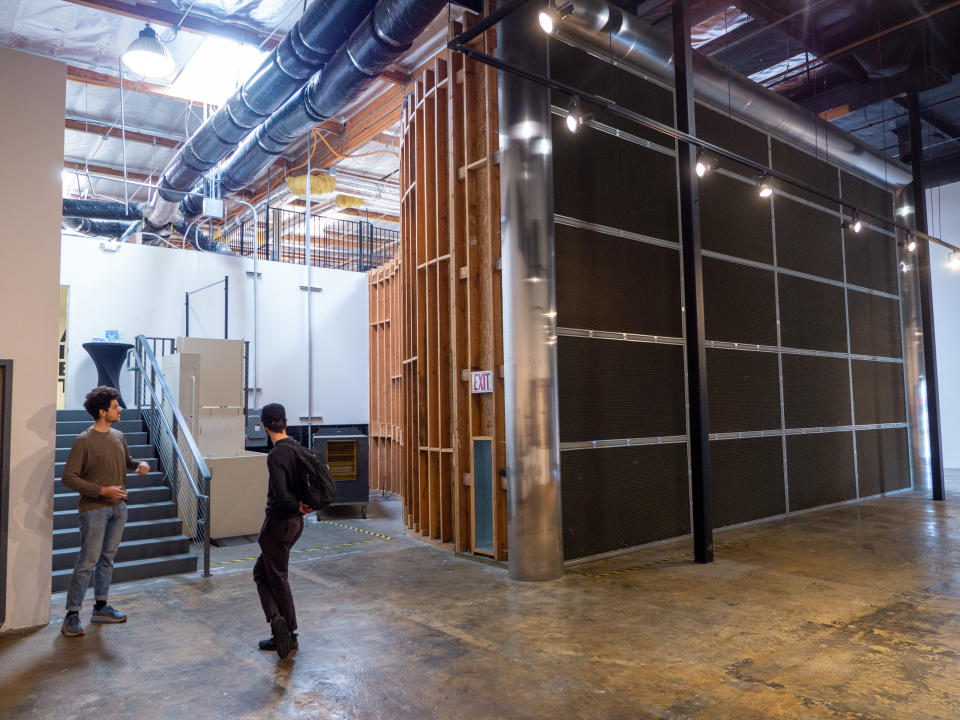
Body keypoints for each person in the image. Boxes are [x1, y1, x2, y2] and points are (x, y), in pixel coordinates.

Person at [60, 385, 150, 637]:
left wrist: (138, 465)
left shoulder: (118, 436)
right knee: (87, 562)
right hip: (94, 510)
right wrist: (102, 491)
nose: (119, 409)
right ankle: (72, 614)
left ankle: (100, 606)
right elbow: (68, 478)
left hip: (119, 508)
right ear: (102, 411)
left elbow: (127, 462)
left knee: (107, 559)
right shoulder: (83, 441)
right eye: (115, 406)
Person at [254, 402, 312, 659]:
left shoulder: (276, 455)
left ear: (264, 425)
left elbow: (280, 493)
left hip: (279, 522)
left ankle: (285, 629)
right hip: (296, 524)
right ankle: (283, 627)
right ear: (285, 422)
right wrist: (303, 507)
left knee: (275, 576)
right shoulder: (298, 449)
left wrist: (293, 506)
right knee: (264, 572)